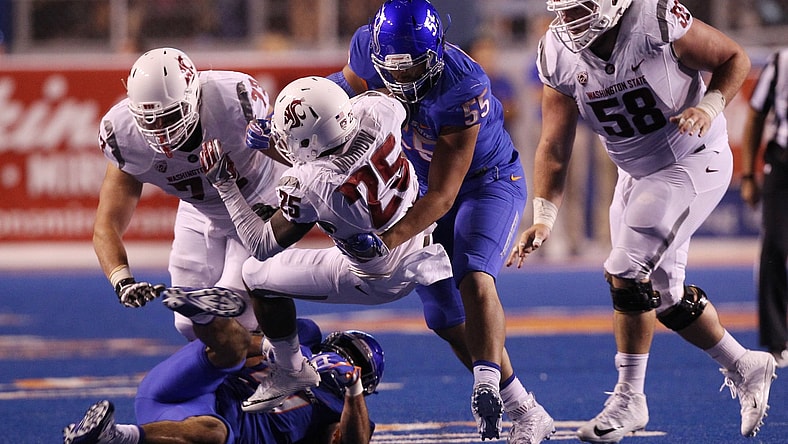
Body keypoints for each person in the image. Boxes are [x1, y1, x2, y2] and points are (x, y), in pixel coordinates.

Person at [507, 0, 777, 441]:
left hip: (692, 157)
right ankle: (745, 365)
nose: (570, 21)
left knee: (626, 271)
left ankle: (630, 398)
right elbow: (554, 145)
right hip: (636, 172)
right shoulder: (557, 51)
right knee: (664, 296)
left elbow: (734, 58)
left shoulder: (654, 18)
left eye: (580, 9)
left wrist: (710, 105)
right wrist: (544, 215)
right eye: (565, 11)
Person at [326, 1, 555, 442]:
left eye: (414, 69)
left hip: (483, 183)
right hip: (419, 183)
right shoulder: (363, 48)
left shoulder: (463, 84)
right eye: (394, 69)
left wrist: (387, 238)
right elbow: (338, 100)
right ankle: (524, 408)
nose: (402, 80)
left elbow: (445, 194)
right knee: (444, 317)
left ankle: (486, 381)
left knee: (473, 274)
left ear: (436, 52)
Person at [199, 75, 453, 413]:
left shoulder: (309, 184)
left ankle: (291, 369)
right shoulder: (376, 112)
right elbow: (340, 159)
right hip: (416, 237)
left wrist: (224, 184)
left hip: (377, 275)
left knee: (255, 273)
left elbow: (260, 243)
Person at [93, 47, 286, 342]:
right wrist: (122, 281)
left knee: (239, 310)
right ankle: (243, 376)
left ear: (194, 97)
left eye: (169, 116)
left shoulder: (235, 100)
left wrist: (290, 206)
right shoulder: (123, 136)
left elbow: (293, 155)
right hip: (199, 208)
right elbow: (106, 225)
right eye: (149, 120)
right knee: (188, 324)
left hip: (257, 201)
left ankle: (299, 362)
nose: (160, 130)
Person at [62, 316, 384, 444]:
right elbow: (252, 345)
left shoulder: (341, 407)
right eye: (344, 352)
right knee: (234, 343)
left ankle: (117, 436)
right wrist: (284, 353)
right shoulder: (306, 339)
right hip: (195, 385)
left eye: (354, 363)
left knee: (214, 433)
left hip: (209, 424)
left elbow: (350, 442)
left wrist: (351, 388)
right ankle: (195, 305)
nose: (344, 360)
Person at [741, 47, 788, 368]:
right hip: (783, 162)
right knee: (774, 245)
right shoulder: (782, 62)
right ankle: (777, 340)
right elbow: (756, 114)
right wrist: (747, 174)